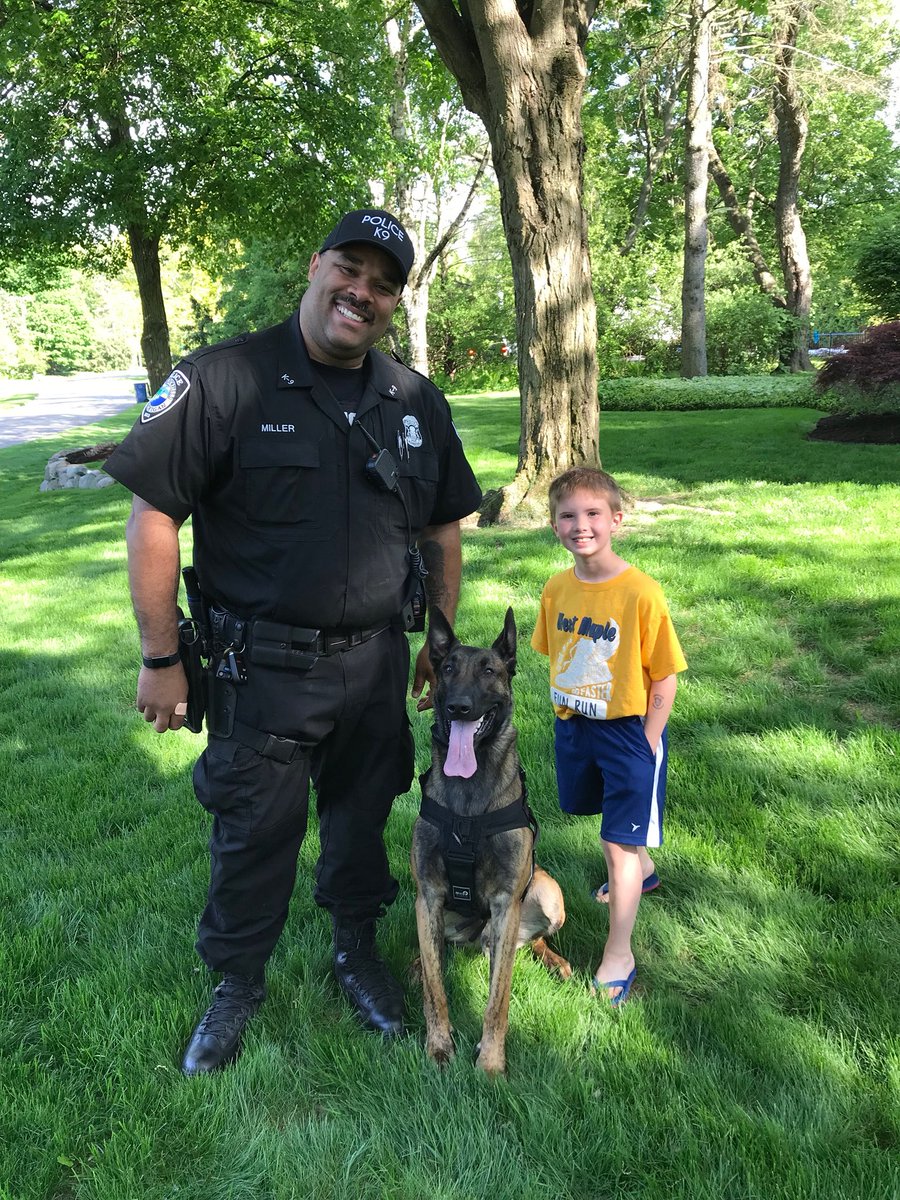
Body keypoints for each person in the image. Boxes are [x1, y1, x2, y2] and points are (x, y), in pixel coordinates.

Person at [105, 209, 482, 1074]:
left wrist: (441, 640)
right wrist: (162, 658)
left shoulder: (413, 400)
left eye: (384, 283)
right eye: (349, 270)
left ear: (395, 301)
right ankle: (236, 983)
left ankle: (357, 951)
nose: (363, 293)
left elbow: (443, 530)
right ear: (315, 268)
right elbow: (154, 513)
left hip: (378, 665)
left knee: (361, 820)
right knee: (254, 832)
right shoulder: (225, 379)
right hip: (263, 670)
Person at [530, 467, 686, 1005]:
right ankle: (642, 871)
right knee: (597, 815)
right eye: (567, 516)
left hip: (629, 733)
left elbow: (663, 673)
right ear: (554, 526)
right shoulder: (557, 588)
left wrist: (648, 738)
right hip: (574, 725)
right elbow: (556, 654)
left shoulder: (641, 593)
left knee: (616, 840)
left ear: (616, 519)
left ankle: (620, 953)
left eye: (593, 513)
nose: (581, 525)